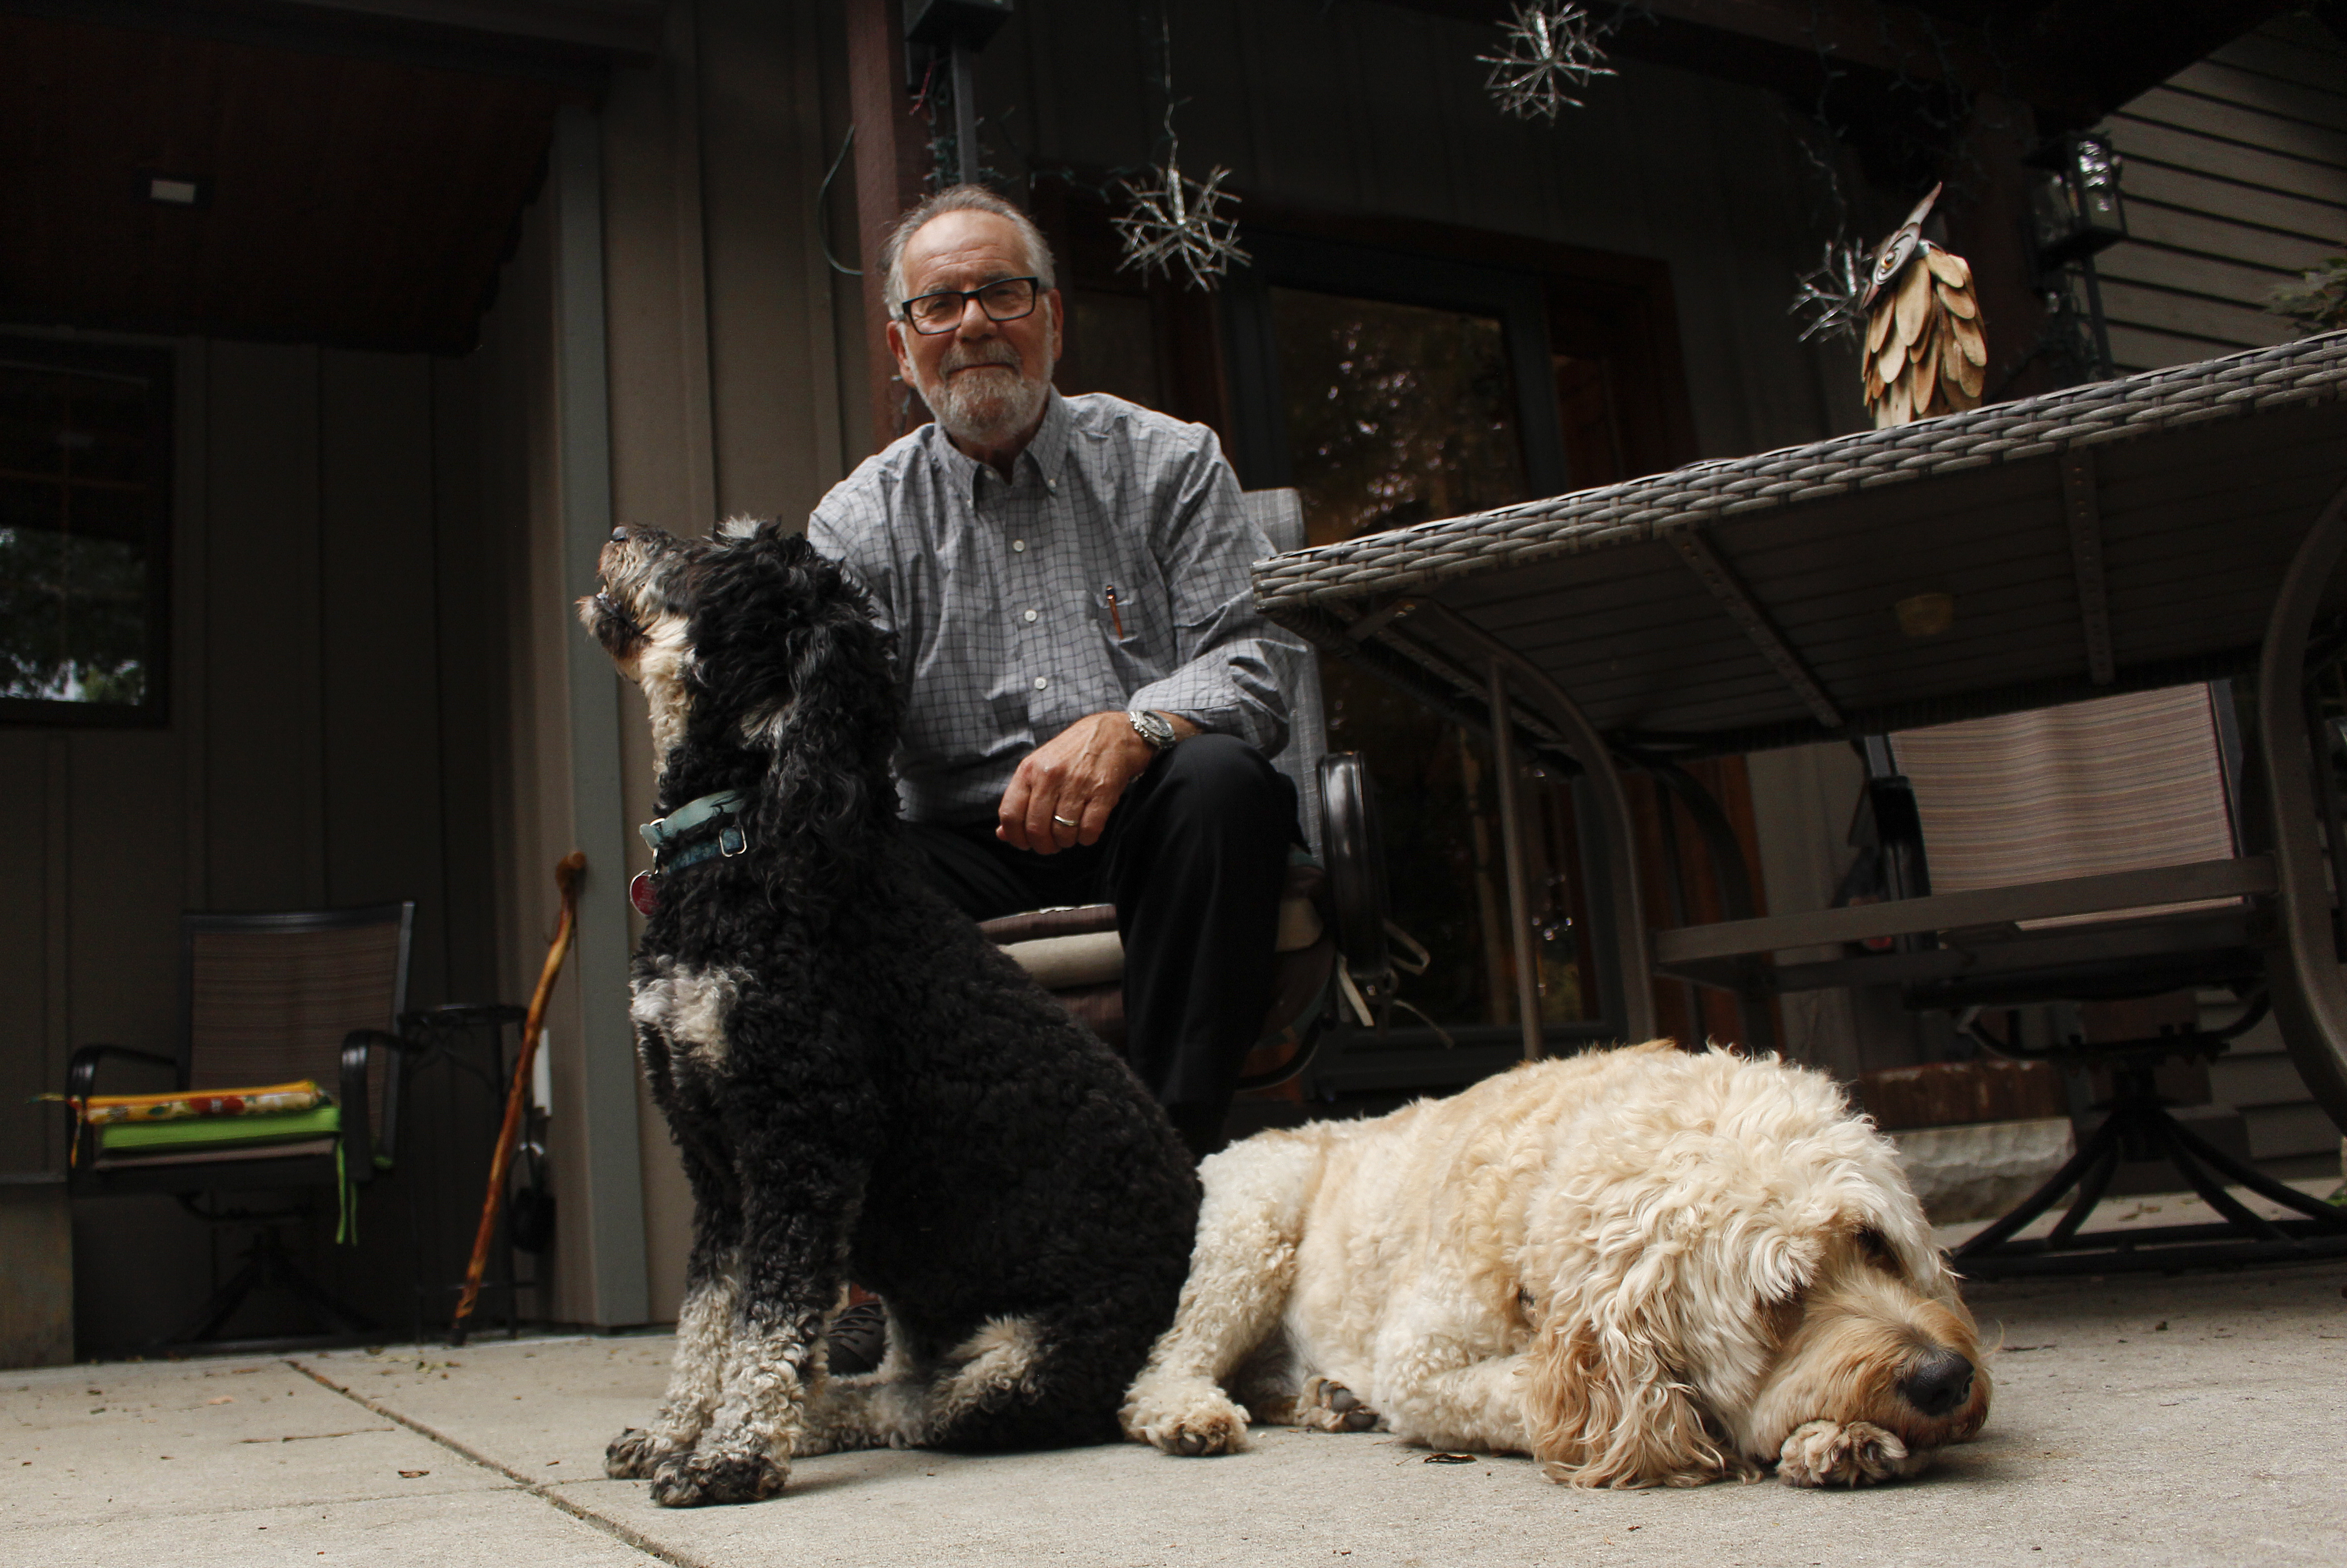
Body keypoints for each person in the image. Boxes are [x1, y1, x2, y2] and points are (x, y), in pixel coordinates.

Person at [808, 185, 1308, 1161]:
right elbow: (841, 738)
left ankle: (1171, 1163)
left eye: (1003, 293)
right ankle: (958, 1196)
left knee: (1223, 785)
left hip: (1151, 821)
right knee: (836, 861)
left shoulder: (1171, 463)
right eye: (939, 304)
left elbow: (1261, 660)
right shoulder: (858, 525)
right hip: (960, 845)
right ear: (899, 347)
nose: (974, 325)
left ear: (1053, 318)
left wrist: (1136, 727)